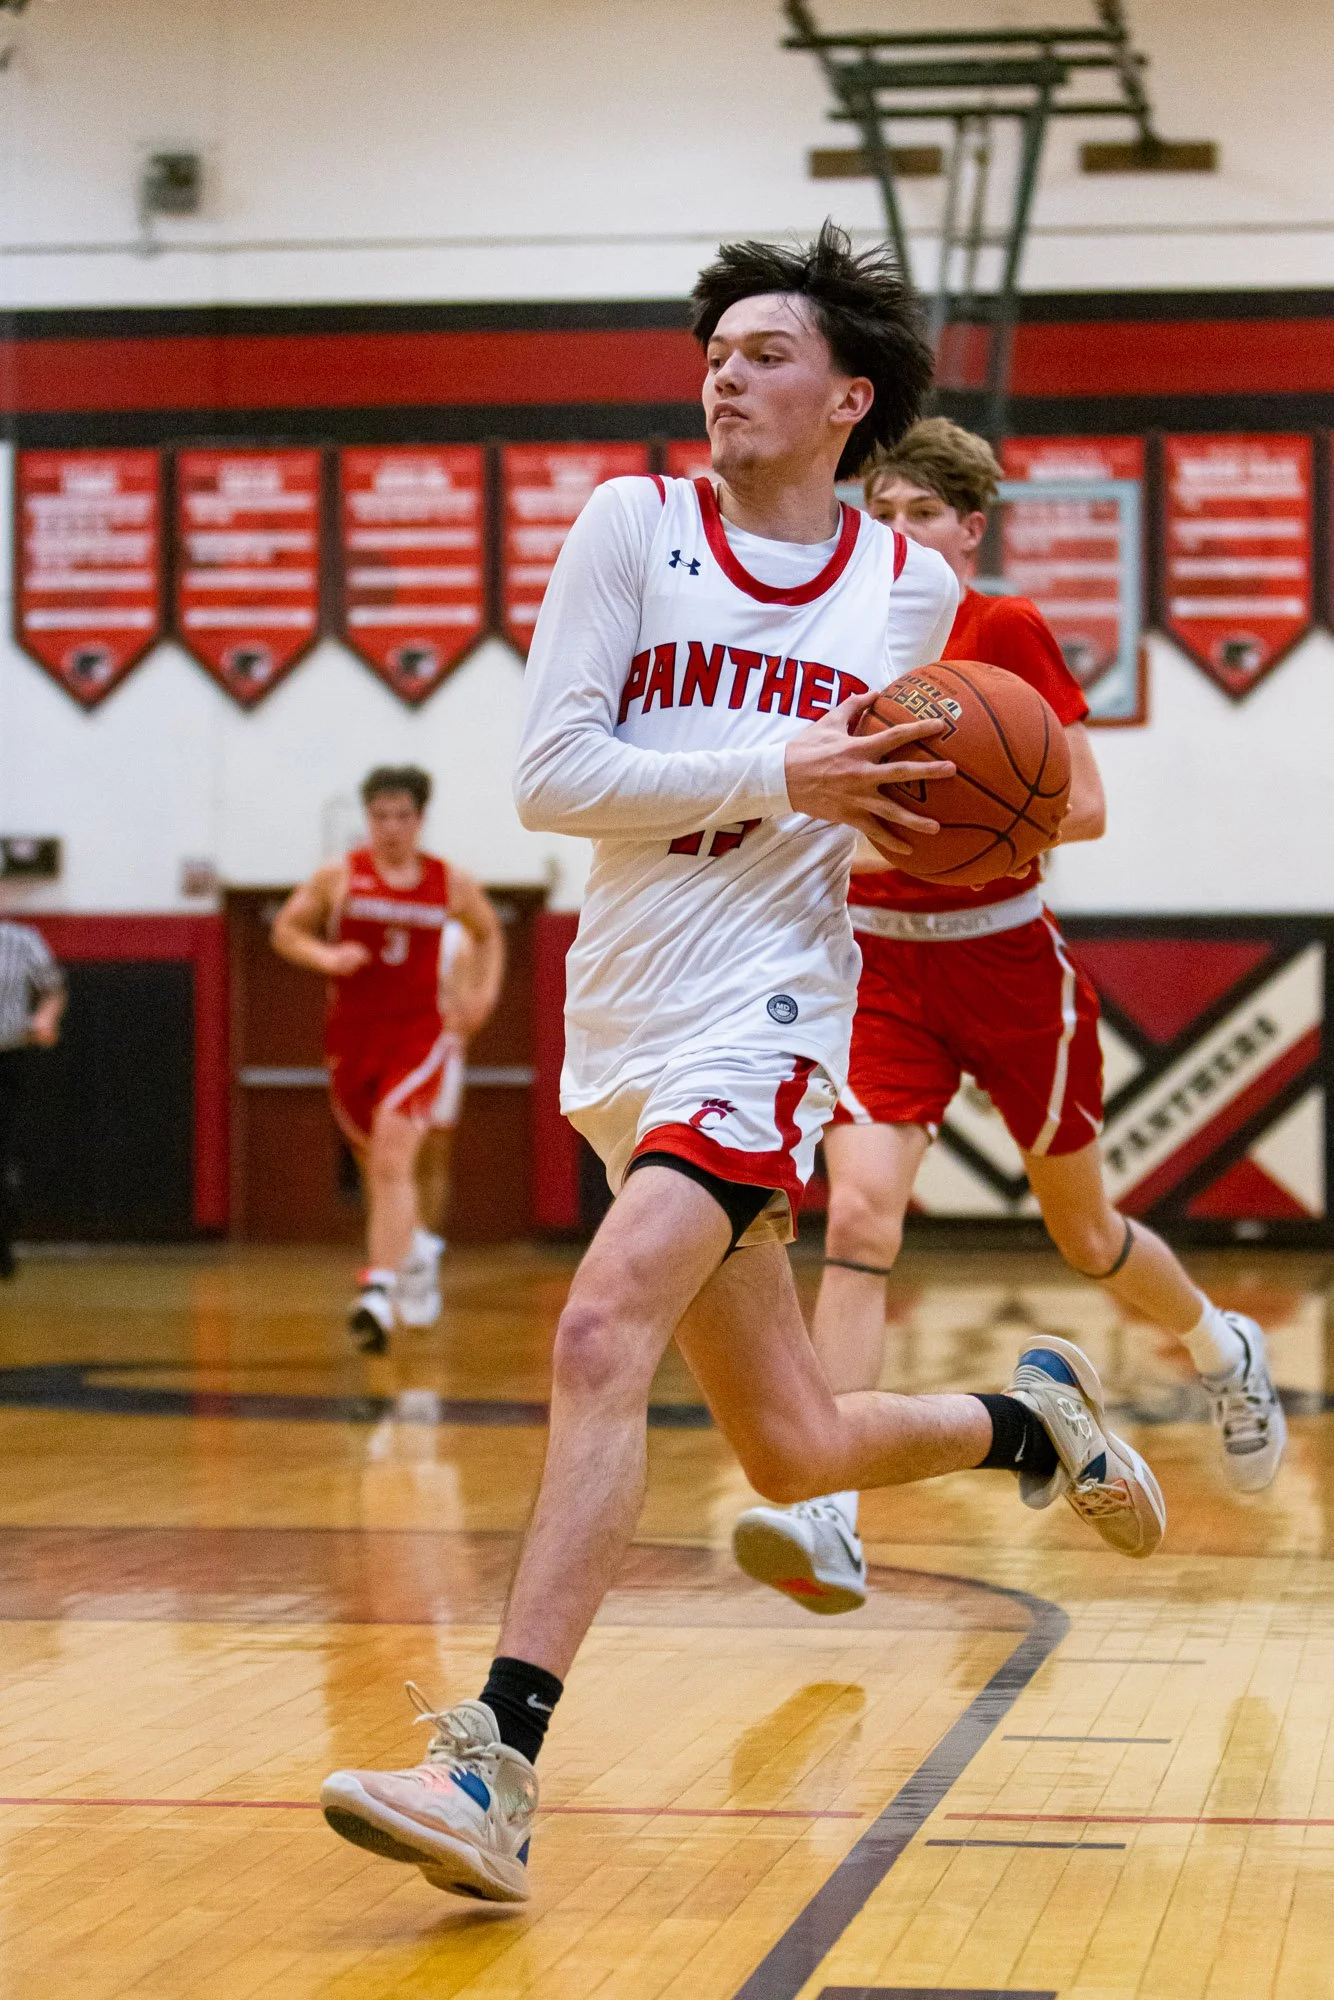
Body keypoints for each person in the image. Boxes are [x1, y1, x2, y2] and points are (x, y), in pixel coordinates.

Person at [319, 224, 1165, 1906]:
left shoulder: (907, 587)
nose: (723, 374)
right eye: (712, 352)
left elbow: (954, 798)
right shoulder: (629, 525)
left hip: (771, 1008)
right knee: (788, 1446)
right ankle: (1027, 1422)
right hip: (623, 1016)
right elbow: (553, 777)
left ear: (848, 398)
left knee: (597, 1326)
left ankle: (492, 1767)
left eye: (764, 352)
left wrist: (936, 817)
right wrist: (788, 770)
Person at [731, 417, 1285, 1618]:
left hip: (1005, 957)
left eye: (921, 513)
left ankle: (1218, 1345)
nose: (896, 530)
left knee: (1082, 1231)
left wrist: (951, 820)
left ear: (968, 528)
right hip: (877, 967)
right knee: (858, 1217)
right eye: (880, 510)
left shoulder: (1003, 628)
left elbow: (1080, 804)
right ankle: (829, 1511)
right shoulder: (836, 641)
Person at [271, 767, 503, 1351]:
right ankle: (415, 1249)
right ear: (367, 818)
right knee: (379, 1167)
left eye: (402, 816)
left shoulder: (448, 881)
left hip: (418, 1037)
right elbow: (285, 931)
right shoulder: (339, 876)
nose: (391, 827)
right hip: (353, 1039)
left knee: (396, 1160)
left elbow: (489, 933)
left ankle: (378, 1290)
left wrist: (481, 996)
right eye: (380, 816)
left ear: (420, 819)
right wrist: (326, 958)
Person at [398, 918, 501, 1326]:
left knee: (433, 1158)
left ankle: (424, 1255)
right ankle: (397, 1252)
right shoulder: (390, 925)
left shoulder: (457, 939)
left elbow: (467, 1009)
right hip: (395, 1053)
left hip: (440, 1051)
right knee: (394, 1161)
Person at [0, 922, 66, 1278]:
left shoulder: (22, 941)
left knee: (4, 1155)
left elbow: (53, 989)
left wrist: (44, 1017)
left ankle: (3, 1244)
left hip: (9, 1056)